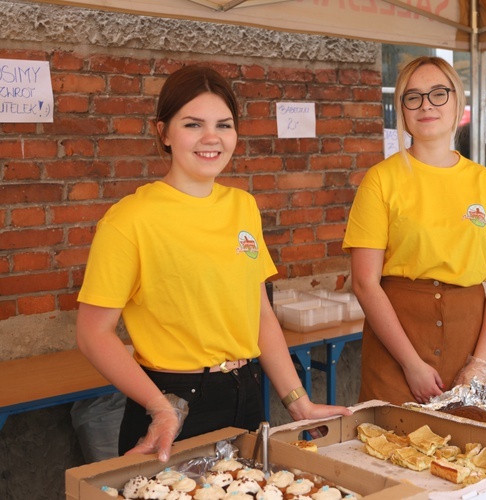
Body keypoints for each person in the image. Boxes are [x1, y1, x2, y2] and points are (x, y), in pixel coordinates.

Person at [76, 65, 350, 463]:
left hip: (247, 393)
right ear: (163, 132)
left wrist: (298, 402)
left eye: (224, 124)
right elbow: (92, 334)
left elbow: (258, 313)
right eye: (192, 124)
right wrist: (160, 406)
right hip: (172, 401)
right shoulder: (129, 219)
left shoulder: (242, 206)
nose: (211, 138)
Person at [342, 56, 486, 405]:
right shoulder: (381, 179)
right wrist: (410, 364)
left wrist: (481, 363)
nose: (426, 104)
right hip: (398, 349)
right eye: (413, 97)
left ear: (458, 101)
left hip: (471, 342)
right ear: (402, 109)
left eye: (438, 93)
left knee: (476, 453)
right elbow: (365, 282)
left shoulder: (482, 181)